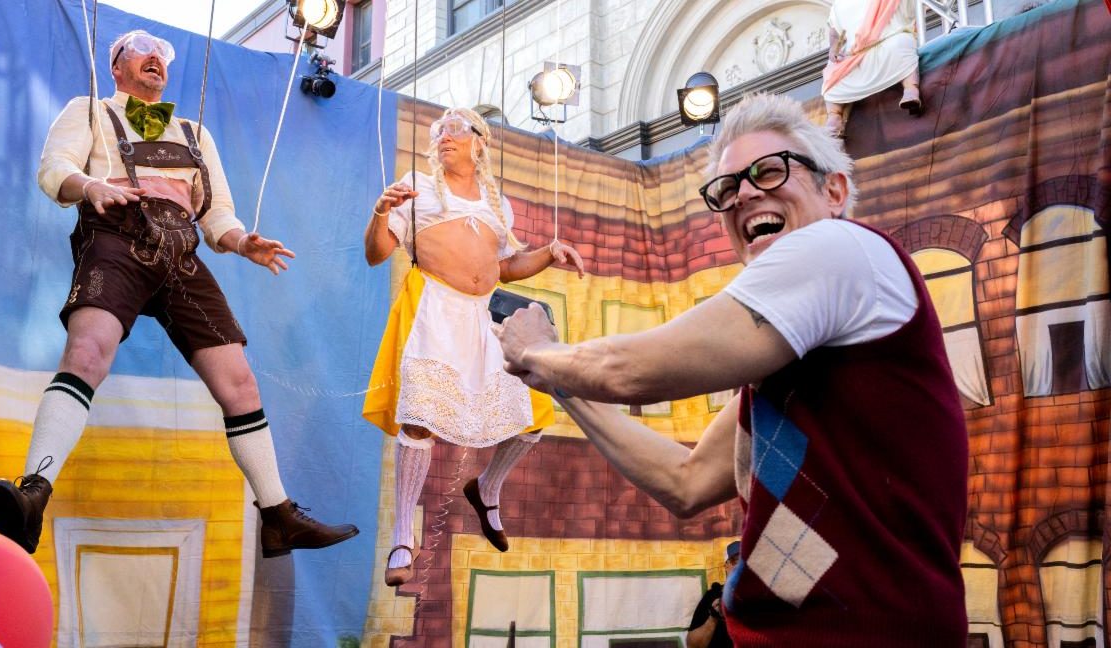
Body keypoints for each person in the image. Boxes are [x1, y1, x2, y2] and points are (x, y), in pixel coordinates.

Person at [495, 93, 967, 645]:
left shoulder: (839, 247)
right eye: (726, 188)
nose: (743, 194)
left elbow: (631, 370)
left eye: (770, 171)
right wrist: (556, 378)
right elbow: (687, 481)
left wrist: (537, 352)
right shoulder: (792, 360)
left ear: (834, 191)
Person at [0, 30, 358, 558]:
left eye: (163, 53)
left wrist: (242, 241)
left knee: (240, 382)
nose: (156, 55)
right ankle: (33, 493)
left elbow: (216, 215)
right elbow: (54, 170)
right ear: (116, 66)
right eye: (140, 48)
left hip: (181, 253)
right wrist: (92, 186)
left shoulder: (194, 133)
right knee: (86, 353)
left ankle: (278, 516)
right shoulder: (90, 110)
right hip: (116, 238)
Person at [361, 107, 585, 587]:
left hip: (481, 316)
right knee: (419, 420)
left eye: (456, 129)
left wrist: (549, 253)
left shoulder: (496, 203)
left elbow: (505, 268)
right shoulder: (417, 186)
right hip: (434, 310)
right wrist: (381, 212)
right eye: (439, 130)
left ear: (480, 142)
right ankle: (402, 538)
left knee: (533, 414)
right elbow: (376, 254)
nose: (444, 136)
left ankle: (487, 487)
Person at [822, 0, 921, 137]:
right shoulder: (839, 4)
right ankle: (834, 116)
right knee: (832, 72)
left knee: (900, 44)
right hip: (857, 55)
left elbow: (910, 8)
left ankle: (911, 89)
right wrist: (834, 48)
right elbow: (835, 32)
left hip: (888, 42)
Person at [686, 541, 739, 648]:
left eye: (745, 561)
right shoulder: (713, 596)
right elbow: (692, 645)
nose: (740, 566)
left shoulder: (761, 597)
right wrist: (713, 617)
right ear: (726, 566)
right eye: (736, 561)